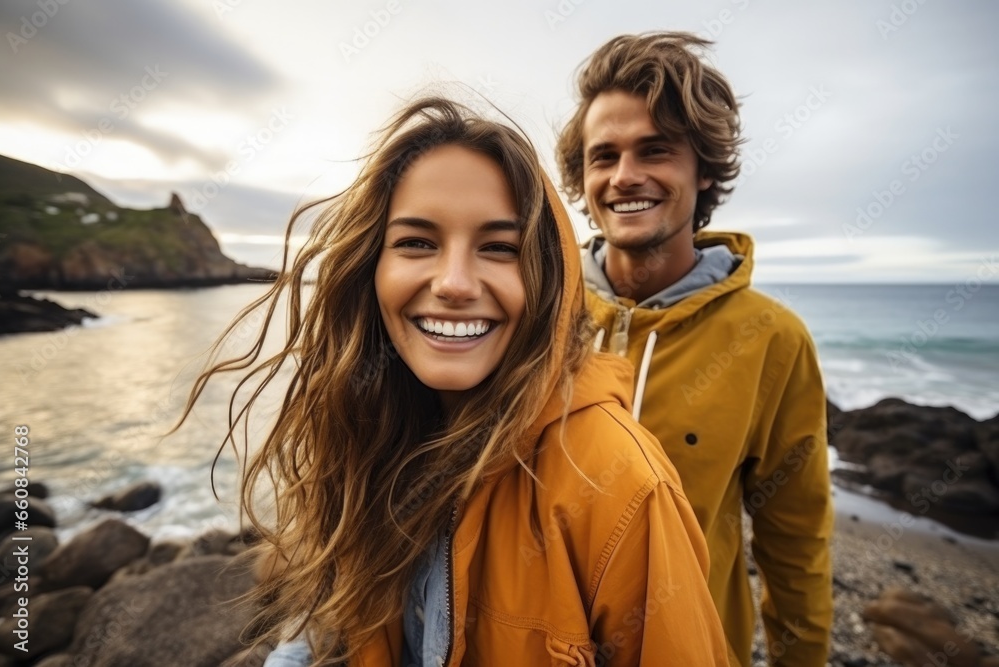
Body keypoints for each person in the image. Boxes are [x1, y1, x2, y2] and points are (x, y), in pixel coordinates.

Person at [178, 97, 731, 665]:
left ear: (548, 280)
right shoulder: (372, 429)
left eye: (499, 248)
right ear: (372, 268)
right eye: (417, 242)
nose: (455, 283)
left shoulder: (623, 485)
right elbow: (327, 628)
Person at [555, 33, 834, 666]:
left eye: (656, 151)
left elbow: (796, 541)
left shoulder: (773, 340)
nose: (626, 176)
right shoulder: (537, 311)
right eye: (604, 156)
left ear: (703, 167)